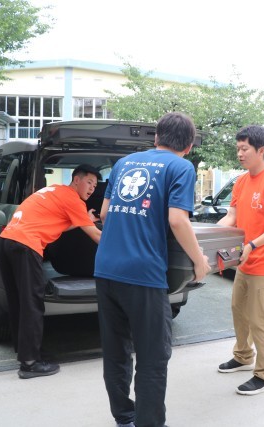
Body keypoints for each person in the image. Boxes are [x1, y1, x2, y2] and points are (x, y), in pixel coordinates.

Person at [94, 112, 211, 427]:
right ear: (188, 146)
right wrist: (199, 261)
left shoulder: (124, 163)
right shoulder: (181, 167)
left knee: (116, 350)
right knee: (153, 356)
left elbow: (104, 214)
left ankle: (124, 417)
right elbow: (177, 220)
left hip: (106, 268)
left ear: (156, 137)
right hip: (143, 274)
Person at [0, 164, 103, 379]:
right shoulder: (73, 199)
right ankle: (30, 364)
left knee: (19, 301)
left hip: (7, 241)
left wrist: (85, 220)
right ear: (76, 180)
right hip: (27, 245)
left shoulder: (55, 190)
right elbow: (95, 236)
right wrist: (123, 250)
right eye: (89, 182)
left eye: (95, 185)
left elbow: (57, 223)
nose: (92, 188)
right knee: (32, 303)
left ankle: (27, 351)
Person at [216, 125, 264, 395]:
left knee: (259, 319)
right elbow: (232, 217)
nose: (239, 153)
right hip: (245, 260)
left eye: (244, 149)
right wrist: (208, 235)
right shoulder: (241, 181)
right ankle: (243, 356)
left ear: (261, 150)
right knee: (238, 310)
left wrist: (252, 244)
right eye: (238, 148)